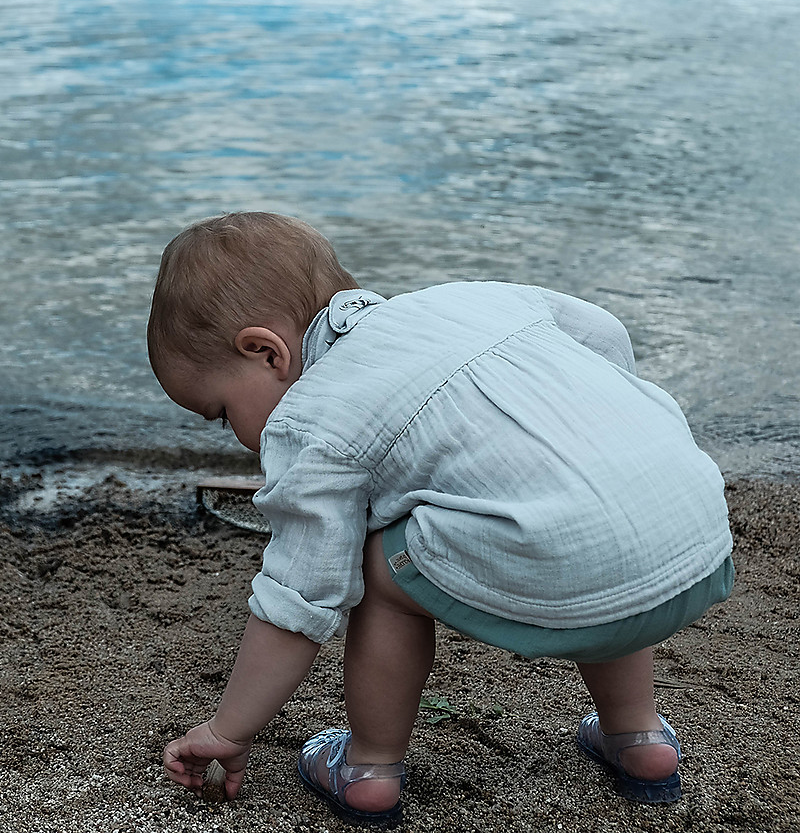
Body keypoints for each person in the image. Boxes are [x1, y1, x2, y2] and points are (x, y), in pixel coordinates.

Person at [147, 211, 733, 824]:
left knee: (372, 567)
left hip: (590, 579)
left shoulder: (311, 418)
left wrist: (229, 727)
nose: (236, 436)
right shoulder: (474, 298)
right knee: (580, 512)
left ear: (266, 352)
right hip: (696, 543)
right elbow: (604, 333)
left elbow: (300, 596)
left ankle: (369, 767)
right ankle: (640, 738)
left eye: (220, 412)